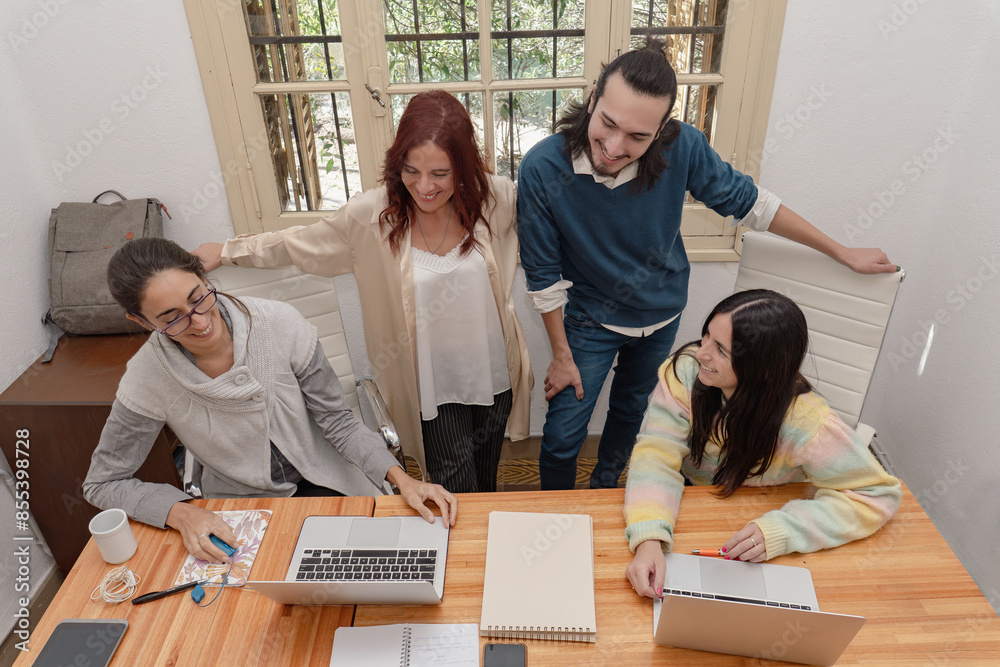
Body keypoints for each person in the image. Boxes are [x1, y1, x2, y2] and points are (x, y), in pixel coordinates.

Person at [516, 40, 900, 491]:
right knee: (562, 435)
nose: (615, 147)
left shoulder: (685, 148)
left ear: (662, 131)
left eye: (638, 136)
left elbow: (752, 204)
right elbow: (543, 277)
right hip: (588, 320)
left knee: (629, 415)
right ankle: (555, 517)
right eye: (608, 124)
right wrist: (561, 356)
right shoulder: (543, 167)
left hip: (660, 315)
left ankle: (604, 492)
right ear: (594, 97)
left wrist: (840, 251)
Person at [192, 90, 531, 494]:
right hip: (430, 387)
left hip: (494, 376)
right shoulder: (372, 217)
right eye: (411, 171)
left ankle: (478, 548)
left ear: (464, 166)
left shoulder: (496, 200)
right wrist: (230, 251)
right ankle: (460, 554)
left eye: (440, 174)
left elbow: (553, 221)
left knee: (486, 476)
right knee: (458, 490)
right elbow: (299, 243)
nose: (424, 187)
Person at [84, 238, 456, 564]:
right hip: (242, 507)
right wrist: (180, 513)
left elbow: (339, 423)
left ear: (204, 277)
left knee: (369, 576)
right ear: (142, 321)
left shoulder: (279, 323)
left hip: (329, 481)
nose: (198, 323)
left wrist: (402, 480)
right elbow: (102, 482)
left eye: (199, 299)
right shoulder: (148, 376)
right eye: (172, 319)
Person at [623, 289, 901, 599]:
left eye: (719, 349)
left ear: (761, 368)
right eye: (705, 337)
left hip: (766, 509)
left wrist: (784, 531)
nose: (700, 353)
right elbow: (656, 456)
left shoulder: (807, 422)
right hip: (694, 502)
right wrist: (649, 539)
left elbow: (878, 495)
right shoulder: (685, 373)